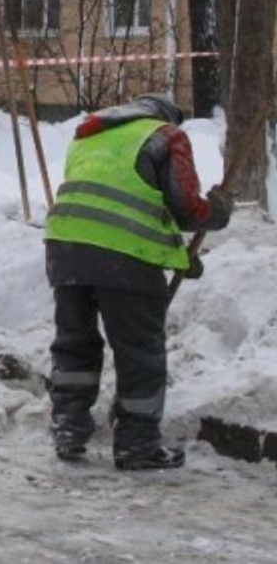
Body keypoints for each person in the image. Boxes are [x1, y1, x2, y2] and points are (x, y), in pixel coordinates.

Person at [44, 92, 233, 471]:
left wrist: (174, 256)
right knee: (139, 351)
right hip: (123, 257)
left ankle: (69, 426)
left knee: (74, 344)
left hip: (65, 248)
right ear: (170, 116)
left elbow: (125, 200)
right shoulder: (167, 136)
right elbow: (186, 209)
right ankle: (137, 443)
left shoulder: (88, 135)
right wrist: (219, 211)